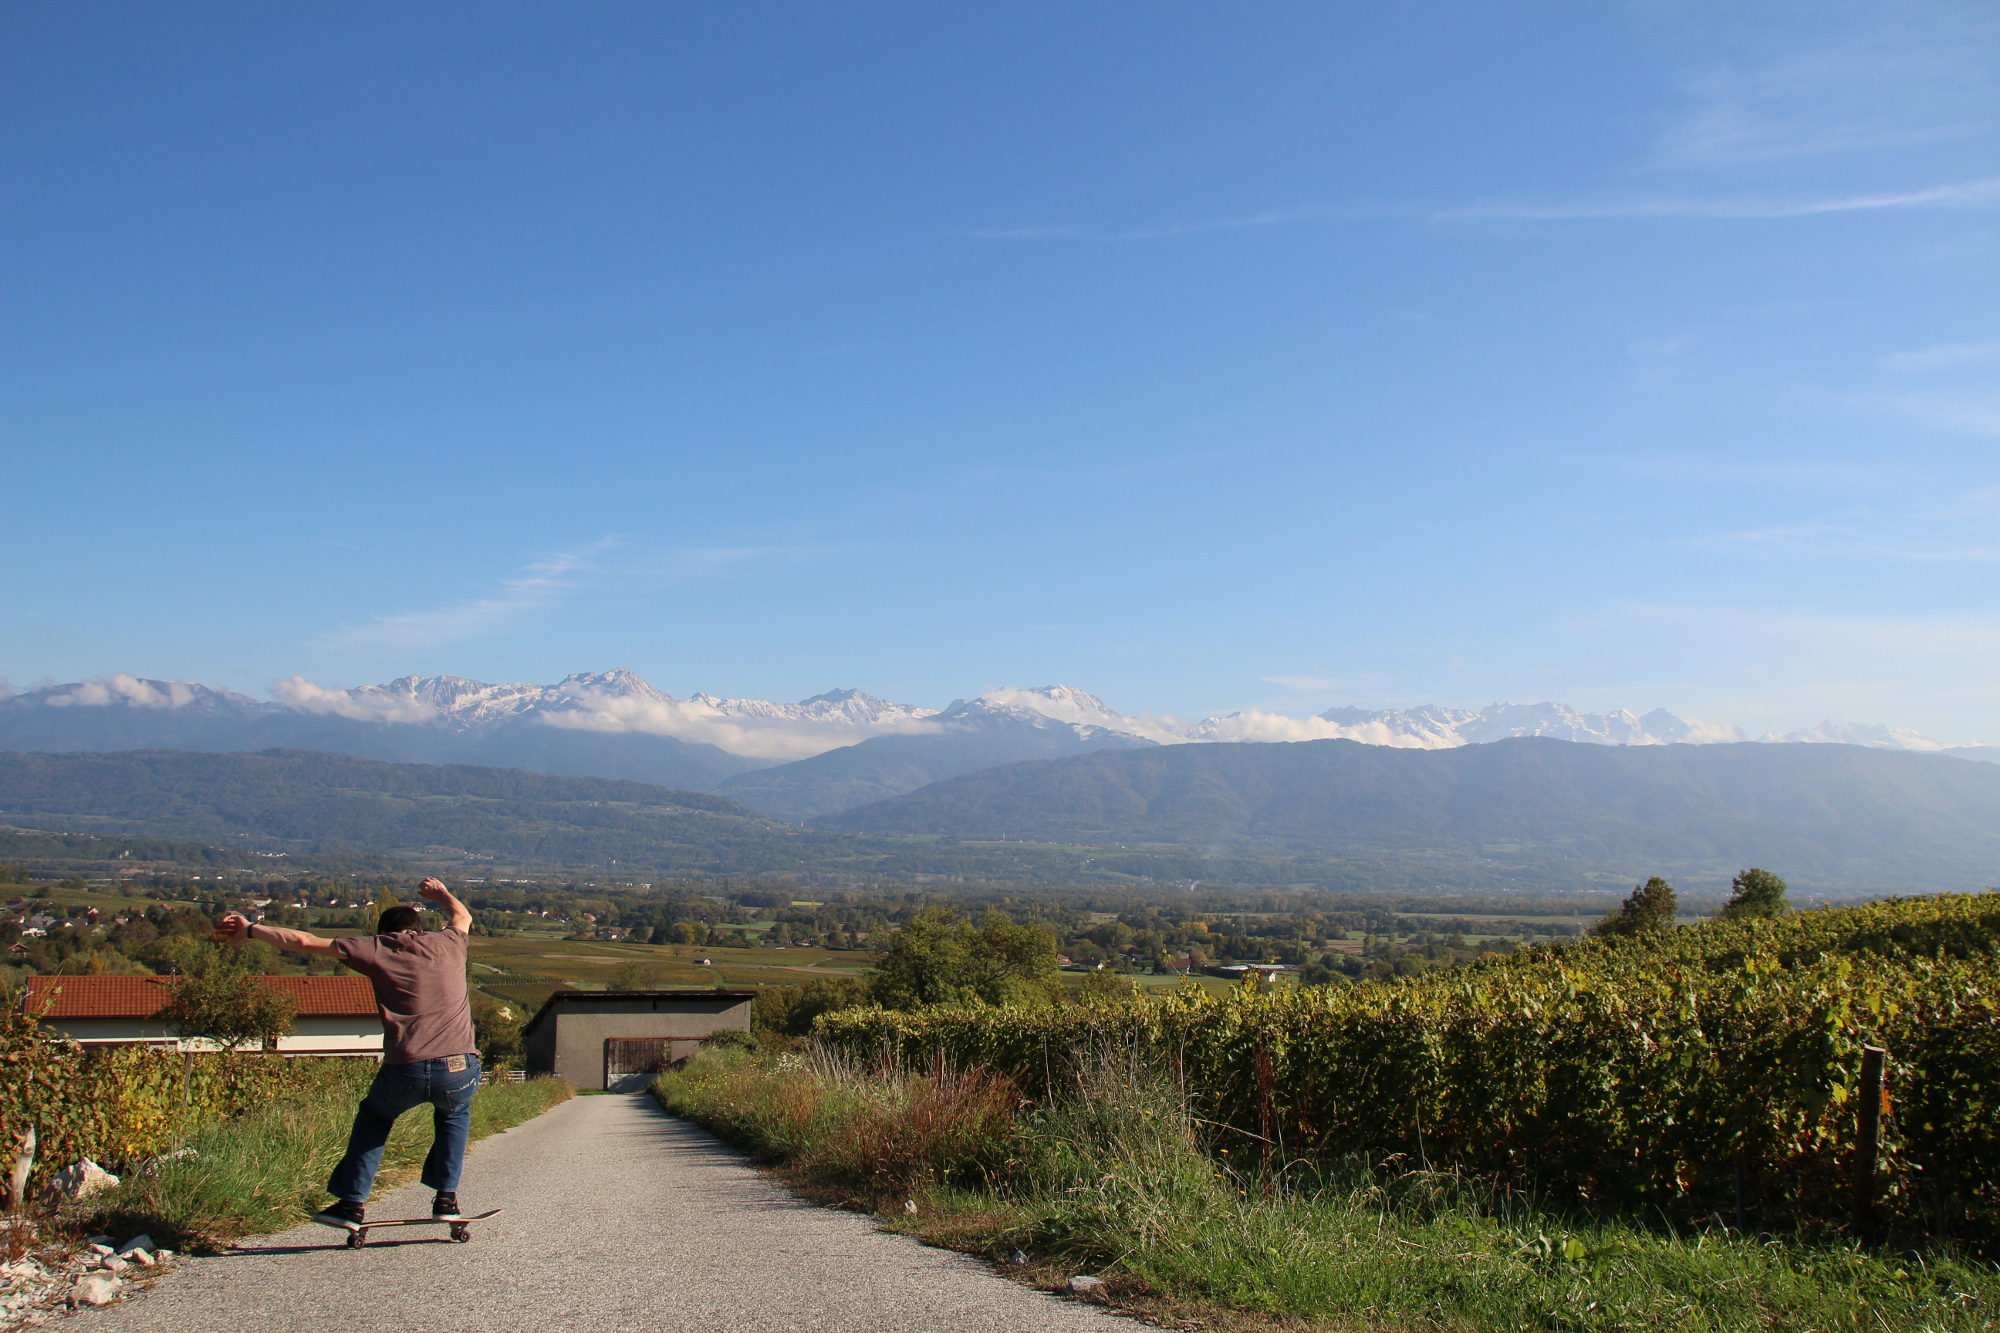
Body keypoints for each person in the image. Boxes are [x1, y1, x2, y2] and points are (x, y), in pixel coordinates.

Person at [217, 877, 480, 1231]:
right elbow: (462, 915)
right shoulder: (449, 942)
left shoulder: (377, 948)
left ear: (385, 932)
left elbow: (303, 941)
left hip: (407, 1067)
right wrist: (441, 894)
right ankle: (446, 1199)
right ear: (419, 928)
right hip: (459, 1065)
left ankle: (351, 1203)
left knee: (375, 1118)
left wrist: (250, 930)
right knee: (453, 1115)